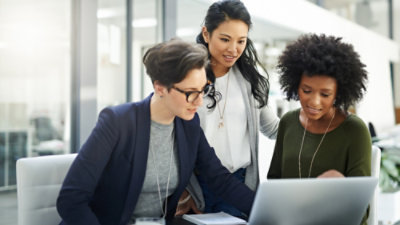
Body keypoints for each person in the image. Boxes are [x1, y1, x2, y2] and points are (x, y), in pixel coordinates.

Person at [56, 39, 255, 225]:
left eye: (203, 90)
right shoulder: (118, 122)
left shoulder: (189, 125)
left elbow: (219, 179)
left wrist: (265, 208)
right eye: (190, 93)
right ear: (160, 87)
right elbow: (71, 199)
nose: (199, 101)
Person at [176, 0, 279, 218]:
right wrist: (183, 190)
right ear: (206, 34)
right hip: (196, 188)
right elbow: (171, 137)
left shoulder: (251, 81)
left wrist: (315, 119)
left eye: (241, 41)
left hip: (239, 186)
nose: (233, 49)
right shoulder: (186, 78)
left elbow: (273, 128)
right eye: (225, 39)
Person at [267, 34, 371, 224]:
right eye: (306, 91)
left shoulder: (355, 131)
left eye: (325, 94)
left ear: (338, 93)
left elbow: (361, 209)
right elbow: (274, 182)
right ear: (295, 85)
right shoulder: (288, 122)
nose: (314, 102)